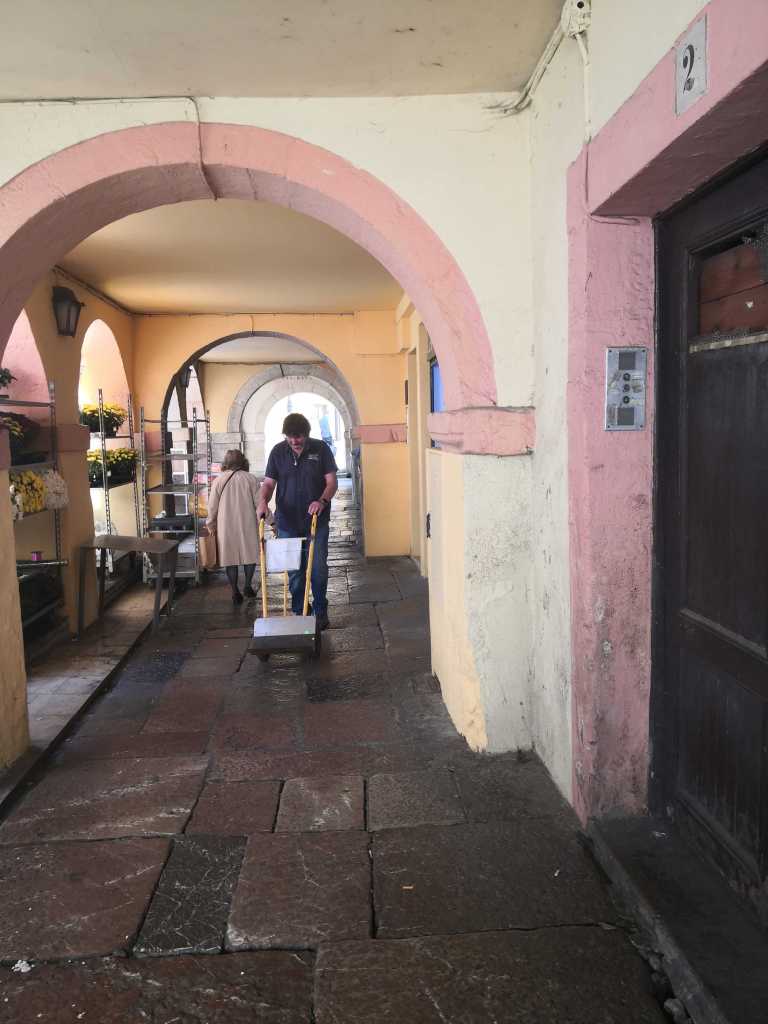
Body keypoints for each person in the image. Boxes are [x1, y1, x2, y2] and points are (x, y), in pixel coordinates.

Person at [257, 412, 337, 630]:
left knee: (318, 568)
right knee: (294, 571)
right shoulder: (277, 452)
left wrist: (322, 501)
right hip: (287, 521)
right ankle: (301, 611)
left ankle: (320, 611)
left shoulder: (321, 449)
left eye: (298, 436)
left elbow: (331, 482)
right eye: (290, 437)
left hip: (316, 520)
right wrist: (263, 502)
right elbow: (269, 483)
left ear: (306, 434)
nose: (294, 441)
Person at [206, 449, 261, 604]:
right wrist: (272, 522)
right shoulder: (251, 479)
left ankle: (235, 591)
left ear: (226, 463)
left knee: (230, 559)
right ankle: (248, 586)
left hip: (226, 526)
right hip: (247, 524)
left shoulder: (218, 480)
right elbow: (260, 504)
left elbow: (212, 506)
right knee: (250, 556)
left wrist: (210, 524)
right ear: (243, 462)